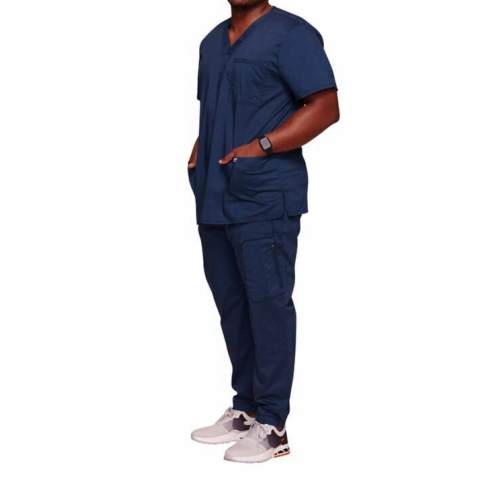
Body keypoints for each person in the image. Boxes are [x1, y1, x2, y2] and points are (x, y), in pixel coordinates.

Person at [187, 0, 340, 463]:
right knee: (232, 306)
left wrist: (264, 145)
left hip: (264, 198)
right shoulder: (211, 43)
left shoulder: (292, 35)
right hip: (214, 195)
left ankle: (273, 425)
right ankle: (247, 408)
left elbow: (326, 107)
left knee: (267, 305)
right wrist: (198, 153)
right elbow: (216, 111)